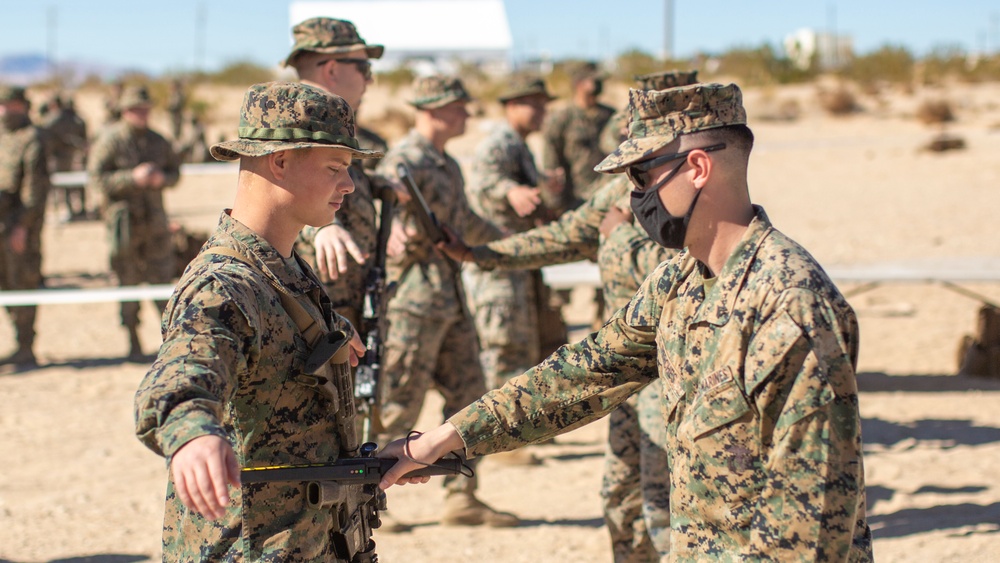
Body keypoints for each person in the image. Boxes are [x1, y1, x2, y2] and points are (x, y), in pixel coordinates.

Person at [382, 83, 874, 561]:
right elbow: (579, 374)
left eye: (641, 177)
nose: (634, 197)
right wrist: (444, 439)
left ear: (698, 168)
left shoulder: (788, 306)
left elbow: (809, 529)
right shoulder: (678, 282)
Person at [436, 70, 698, 561]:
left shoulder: (693, 206)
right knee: (621, 499)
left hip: (670, 373)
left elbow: (679, 283)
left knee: (666, 506)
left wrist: (619, 236)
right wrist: (480, 254)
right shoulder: (618, 195)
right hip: (623, 364)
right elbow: (560, 236)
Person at [134, 81, 372, 560]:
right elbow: (183, 372)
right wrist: (193, 433)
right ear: (279, 161)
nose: (348, 185)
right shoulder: (224, 283)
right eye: (335, 168)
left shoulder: (284, 268)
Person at [373, 75, 517, 527]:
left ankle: (462, 494)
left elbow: (464, 221)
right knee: (397, 403)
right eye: (459, 107)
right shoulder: (403, 161)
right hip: (413, 303)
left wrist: (510, 246)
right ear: (434, 109)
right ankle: (371, 500)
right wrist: (390, 221)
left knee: (468, 398)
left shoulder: (448, 164)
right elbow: (378, 209)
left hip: (450, 300)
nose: (467, 115)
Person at [283, 17, 401, 330]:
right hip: (313, 308)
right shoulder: (292, 124)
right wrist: (319, 227)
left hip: (350, 299)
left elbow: (337, 180)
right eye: (365, 69)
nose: (370, 80)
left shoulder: (334, 125)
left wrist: (376, 185)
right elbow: (275, 193)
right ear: (332, 69)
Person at [464, 74, 565, 391]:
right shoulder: (499, 144)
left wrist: (543, 188)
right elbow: (484, 180)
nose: (541, 112)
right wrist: (510, 191)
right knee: (504, 347)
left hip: (517, 262)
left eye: (543, 105)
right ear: (511, 107)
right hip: (498, 266)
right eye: (533, 105)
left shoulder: (520, 146)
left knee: (524, 344)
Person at [87, 85, 180, 360]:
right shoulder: (110, 141)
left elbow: (176, 172)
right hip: (124, 227)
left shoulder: (159, 140)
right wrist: (132, 179)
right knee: (127, 283)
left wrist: (163, 179)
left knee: (162, 282)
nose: (141, 114)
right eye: (135, 110)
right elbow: (97, 180)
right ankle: (133, 341)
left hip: (155, 227)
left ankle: (172, 342)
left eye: (145, 109)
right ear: (124, 111)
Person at [0, 85, 50, 367]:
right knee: (5, 285)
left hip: (19, 228)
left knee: (22, 283)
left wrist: (22, 227)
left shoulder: (32, 138)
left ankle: (25, 345)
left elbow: (35, 192)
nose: (4, 110)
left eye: (10, 105)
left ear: (22, 106)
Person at [541, 61, 614, 215]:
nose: (600, 84)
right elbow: (552, 165)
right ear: (579, 83)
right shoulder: (561, 119)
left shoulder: (610, 116)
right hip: (575, 202)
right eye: (595, 80)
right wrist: (555, 204)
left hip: (609, 197)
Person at [41, 93, 89, 221]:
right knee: (72, 182)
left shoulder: (54, 119)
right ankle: (77, 208)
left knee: (61, 183)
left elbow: (43, 132)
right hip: (73, 154)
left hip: (59, 155)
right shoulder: (74, 119)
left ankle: (68, 209)